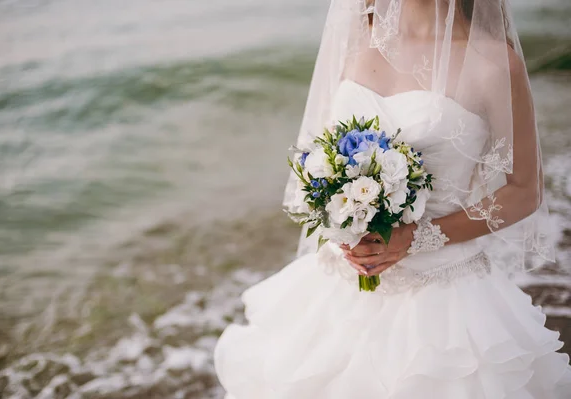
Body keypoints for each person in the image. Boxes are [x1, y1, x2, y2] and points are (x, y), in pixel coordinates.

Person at [214, 1, 571, 397]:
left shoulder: (493, 62)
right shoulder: (355, 38)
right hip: (340, 289)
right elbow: (319, 155)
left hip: (444, 310)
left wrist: (415, 237)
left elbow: (525, 191)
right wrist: (341, 219)